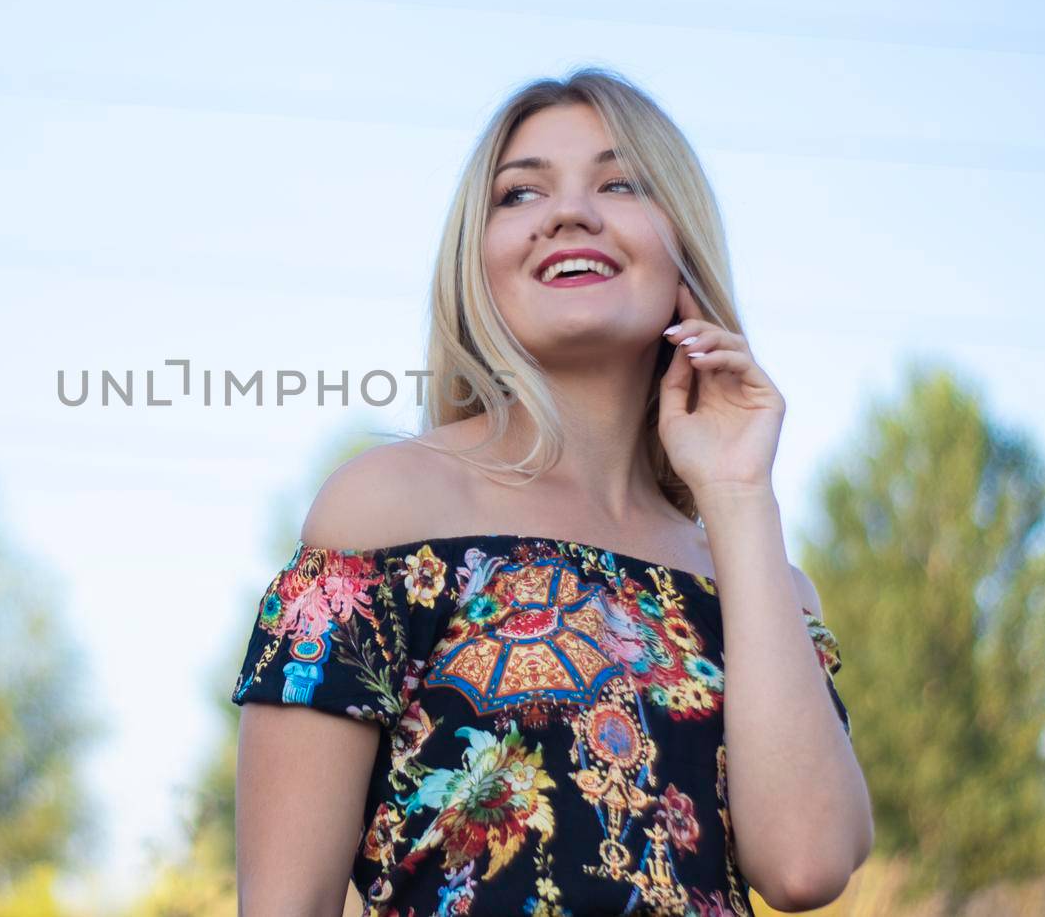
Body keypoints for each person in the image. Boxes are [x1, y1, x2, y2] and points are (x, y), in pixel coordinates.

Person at [230, 67, 873, 917]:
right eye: (520, 193)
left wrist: (740, 491)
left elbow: (804, 867)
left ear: (682, 244)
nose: (569, 212)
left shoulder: (759, 582)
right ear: (479, 262)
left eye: (619, 182)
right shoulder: (383, 516)